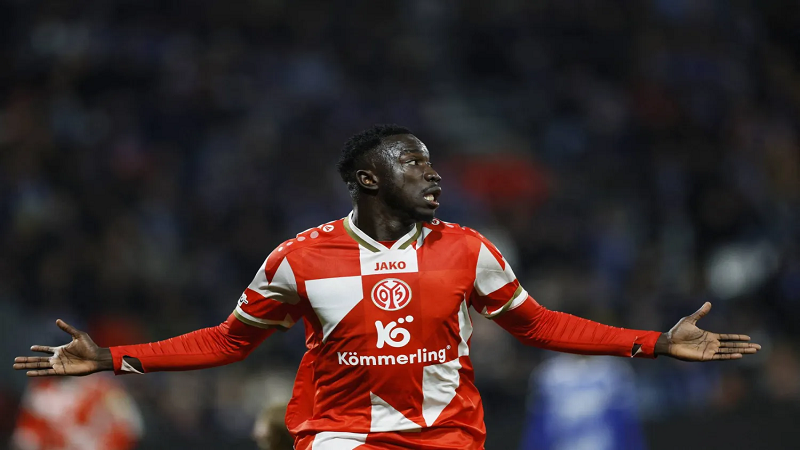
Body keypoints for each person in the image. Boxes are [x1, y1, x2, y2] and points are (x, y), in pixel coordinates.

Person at [14, 124, 761, 449]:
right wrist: (113, 359)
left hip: (446, 438)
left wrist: (653, 344)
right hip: (342, 438)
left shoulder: (469, 250)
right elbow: (228, 341)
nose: (432, 174)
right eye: (413, 163)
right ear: (368, 179)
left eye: (432, 163)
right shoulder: (299, 259)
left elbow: (537, 324)